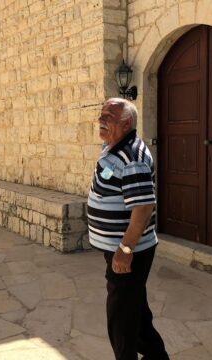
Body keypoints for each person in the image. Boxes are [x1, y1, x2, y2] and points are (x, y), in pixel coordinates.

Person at [88, 98, 169, 360]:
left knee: (121, 321)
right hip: (120, 250)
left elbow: (143, 209)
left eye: (108, 117)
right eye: (101, 114)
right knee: (136, 312)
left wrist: (124, 249)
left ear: (126, 124)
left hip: (128, 252)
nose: (101, 120)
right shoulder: (113, 146)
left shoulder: (132, 157)